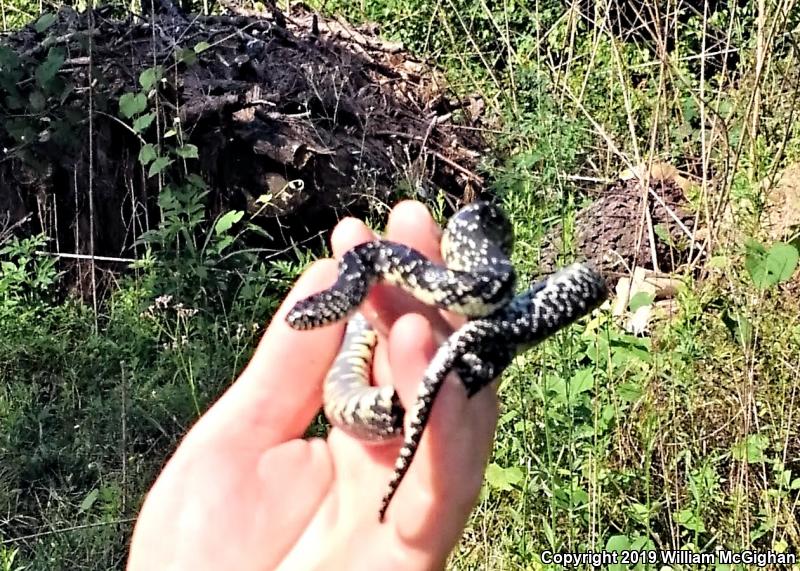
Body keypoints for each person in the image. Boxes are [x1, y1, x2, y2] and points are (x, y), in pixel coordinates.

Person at [127, 201, 500, 570]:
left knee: (433, 350)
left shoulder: (365, 280)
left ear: (331, 308)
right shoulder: (357, 286)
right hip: (386, 370)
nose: (304, 322)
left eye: (310, 317)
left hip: (441, 295)